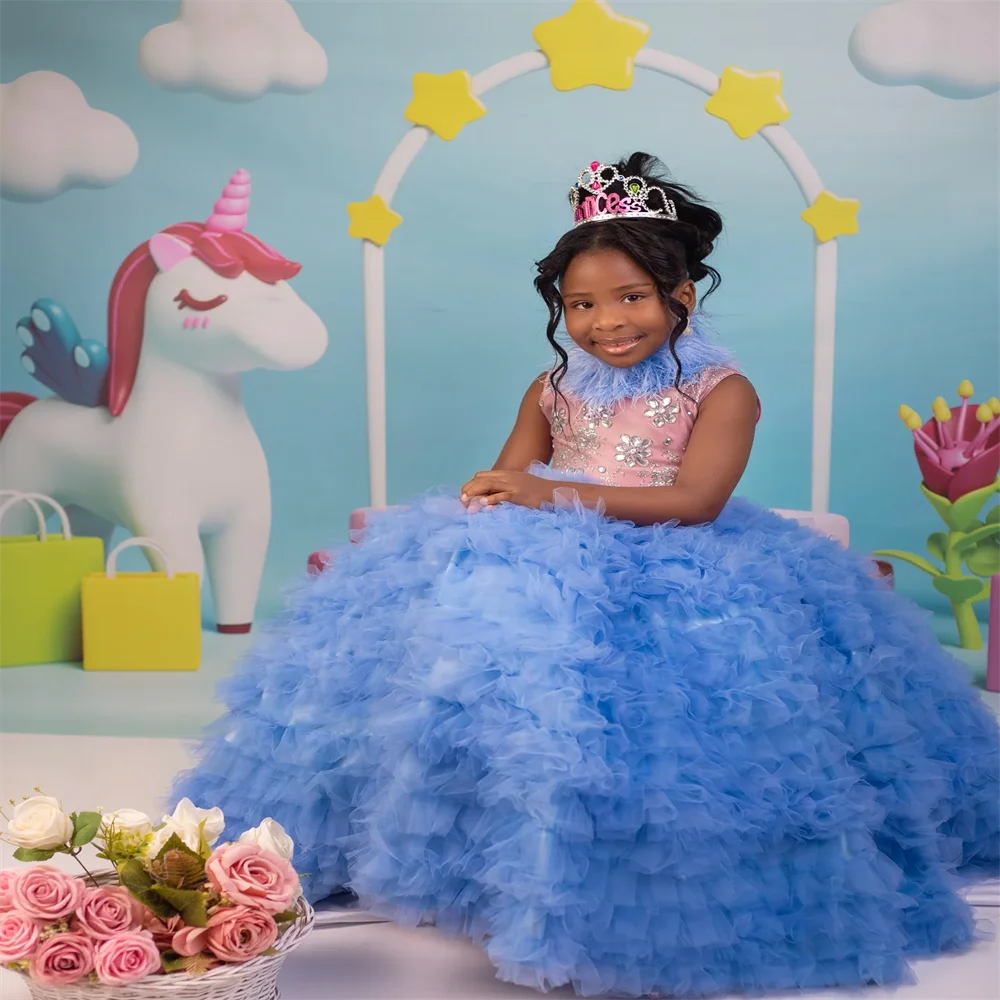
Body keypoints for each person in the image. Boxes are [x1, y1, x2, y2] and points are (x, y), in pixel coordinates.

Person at [174, 153, 1000, 998]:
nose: (605, 321)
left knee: (661, 708)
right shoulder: (554, 385)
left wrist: (547, 491)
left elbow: (698, 499)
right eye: (580, 304)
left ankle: (597, 880)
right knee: (463, 641)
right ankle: (448, 854)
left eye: (629, 297)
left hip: (678, 553)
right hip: (550, 552)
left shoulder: (723, 389)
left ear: (680, 295)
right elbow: (504, 484)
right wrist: (496, 503)